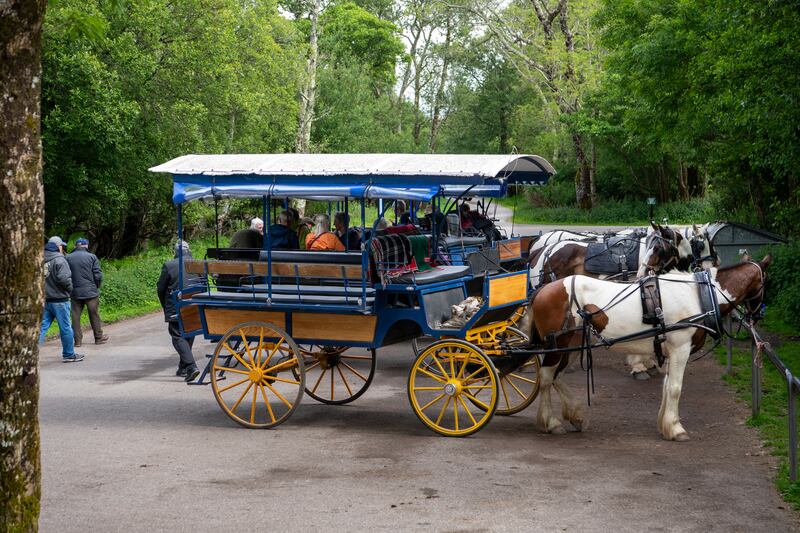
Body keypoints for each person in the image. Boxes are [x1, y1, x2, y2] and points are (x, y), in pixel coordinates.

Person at [157, 240, 204, 381]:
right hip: (194, 303)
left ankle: (191, 366)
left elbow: (161, 288)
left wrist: (165, 306)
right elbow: (204, 285)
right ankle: (183, 367)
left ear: (176, 251)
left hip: (176, 304)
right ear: (188, 250)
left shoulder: (169, 265)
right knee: (189, 333)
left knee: (177, 336)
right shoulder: (197, 264)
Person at [40, 236, 84, 362]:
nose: (62, 247)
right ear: (57, 246)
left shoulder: (40, 259)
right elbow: (64, 279)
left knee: (41, 327)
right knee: (65, 327)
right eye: (61, 245)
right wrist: (69, 289)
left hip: (46, 299)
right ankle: (69, 354)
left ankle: (29, 354)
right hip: (60, 299)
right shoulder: (60, 260)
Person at [66, 237, 109, 347]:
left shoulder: (68, 257)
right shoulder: (92, 257)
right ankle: (98, 338)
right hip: (90, 291)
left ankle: (77, 341)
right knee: (94, 314)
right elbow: (98, 274)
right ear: (86, 246)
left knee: (75, 316)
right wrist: (97, 286)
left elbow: (65, 275)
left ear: (76, 246)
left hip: (75, 292)